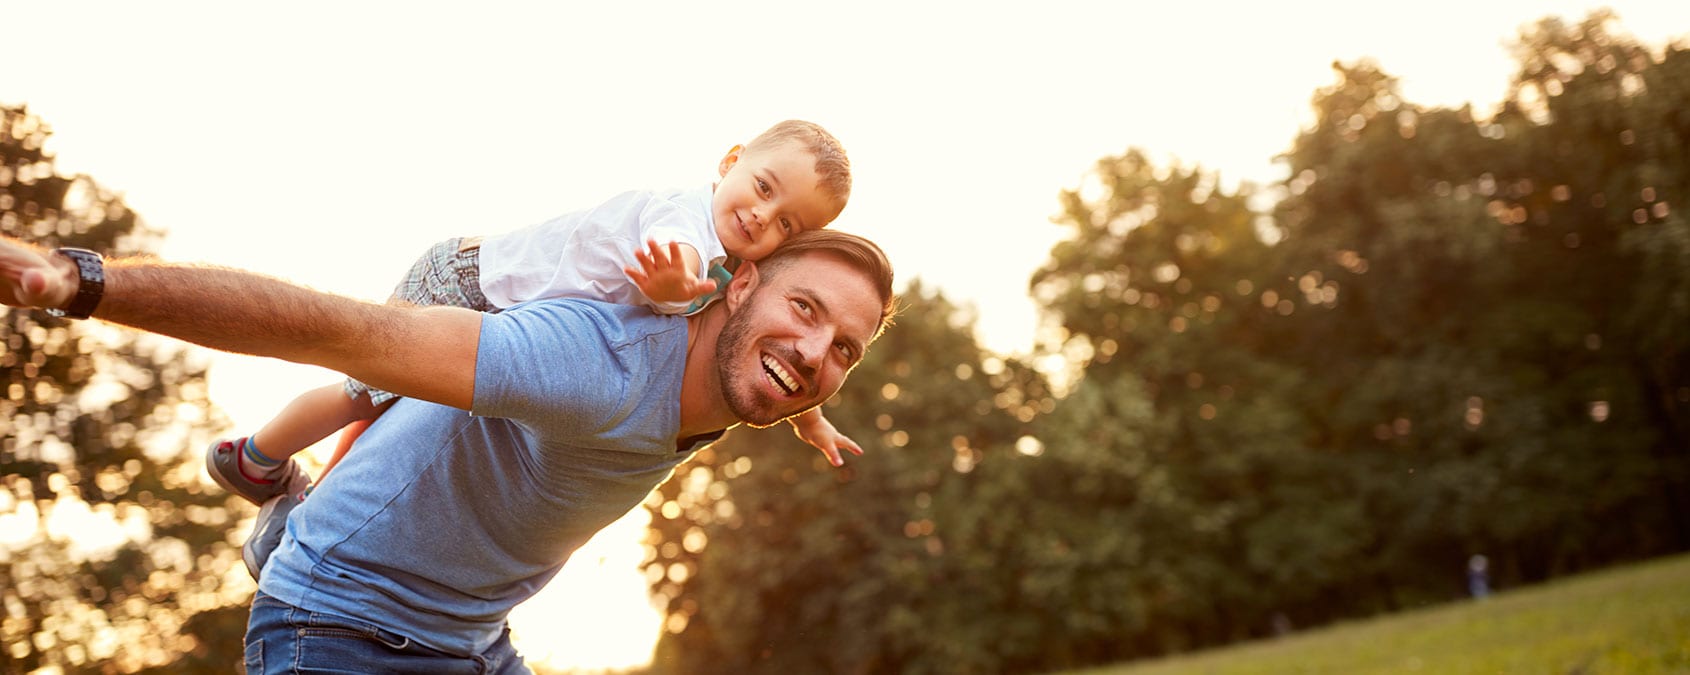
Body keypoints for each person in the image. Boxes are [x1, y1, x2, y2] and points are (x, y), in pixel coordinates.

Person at [0, 227, 896, 673]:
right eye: (805, 310)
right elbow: (338, 330)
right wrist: (79, 281)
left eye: (845, 348)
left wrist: (808, 397)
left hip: (466, 640)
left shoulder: (738, 365)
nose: (818, 352)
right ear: (734, 287)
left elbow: (787, 358)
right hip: (342, 628)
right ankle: (281, 508)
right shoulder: (592, 362)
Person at [210, 121, 866, 529]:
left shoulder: (731, 262)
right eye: (763, 187)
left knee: (391, 417)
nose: (762, 215)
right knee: (364, 393)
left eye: (786, 224)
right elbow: (673, 263)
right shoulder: (686, 220)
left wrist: (808, 417)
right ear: (731, 160)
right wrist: (671, 288)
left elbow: (755, 343)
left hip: (500, 309)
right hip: (468, 284)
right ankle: (254, 458)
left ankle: (309, 511)